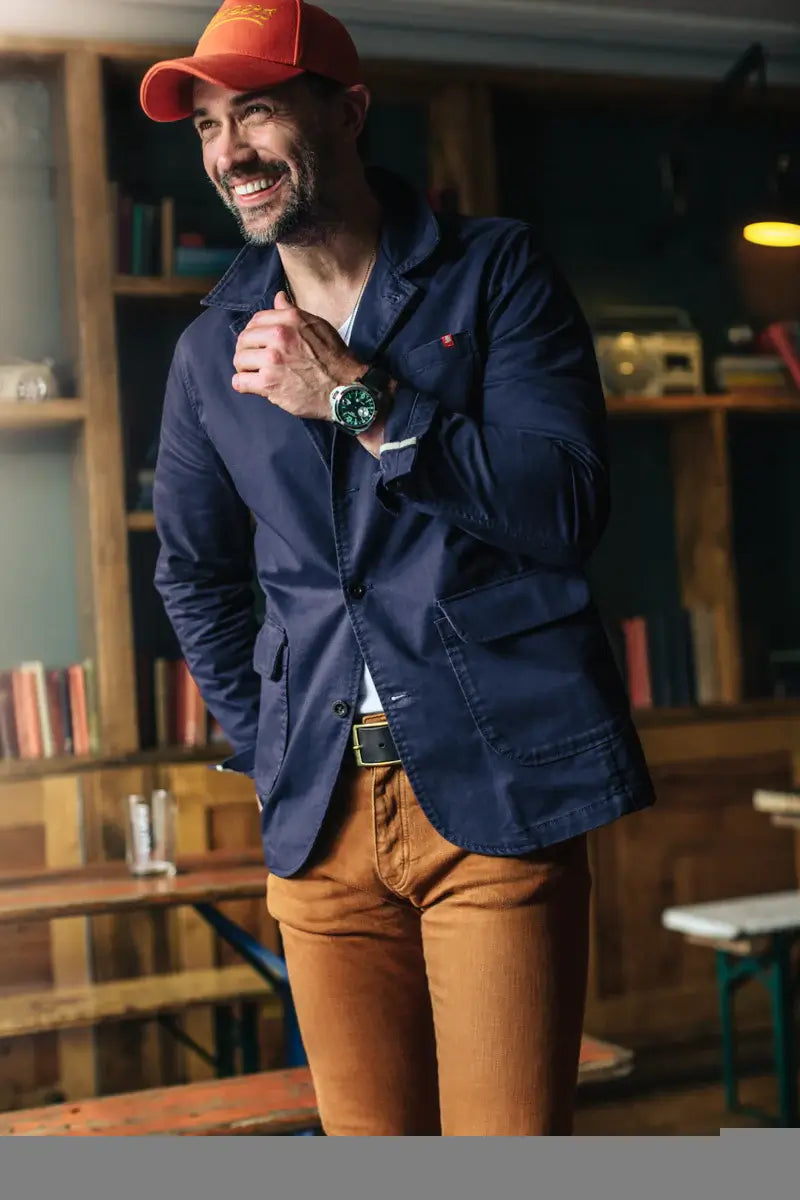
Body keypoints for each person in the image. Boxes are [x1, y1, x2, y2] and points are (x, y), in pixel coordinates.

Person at [140, 0, 655, 1137]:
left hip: (495, 791)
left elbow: (563, 504)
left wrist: (361, 401)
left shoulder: (495, 273)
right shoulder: (205, 348)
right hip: (316, 815)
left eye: (258, 113)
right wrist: (272, 743)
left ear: (349, 110)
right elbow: (197, 576)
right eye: (209, 127)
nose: (228, 152)